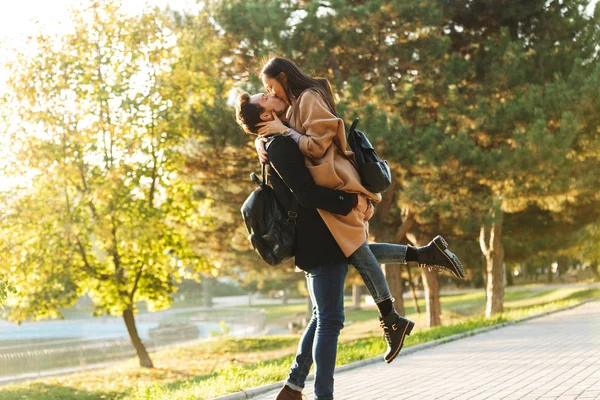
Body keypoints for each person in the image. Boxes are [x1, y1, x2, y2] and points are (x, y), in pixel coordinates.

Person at [237, 58, 465, 364]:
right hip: (331, 186)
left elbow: (317, 146)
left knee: (355, 252)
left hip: (337, 183)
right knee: (355, 250)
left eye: (268, 87)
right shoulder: (293, 106)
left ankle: (392, 317)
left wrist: (279, 131)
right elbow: (275, 131)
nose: (269, 92)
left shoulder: (309, 98)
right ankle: (424, 258)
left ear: (282, 78)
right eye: (265, 93)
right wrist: (262, 139)